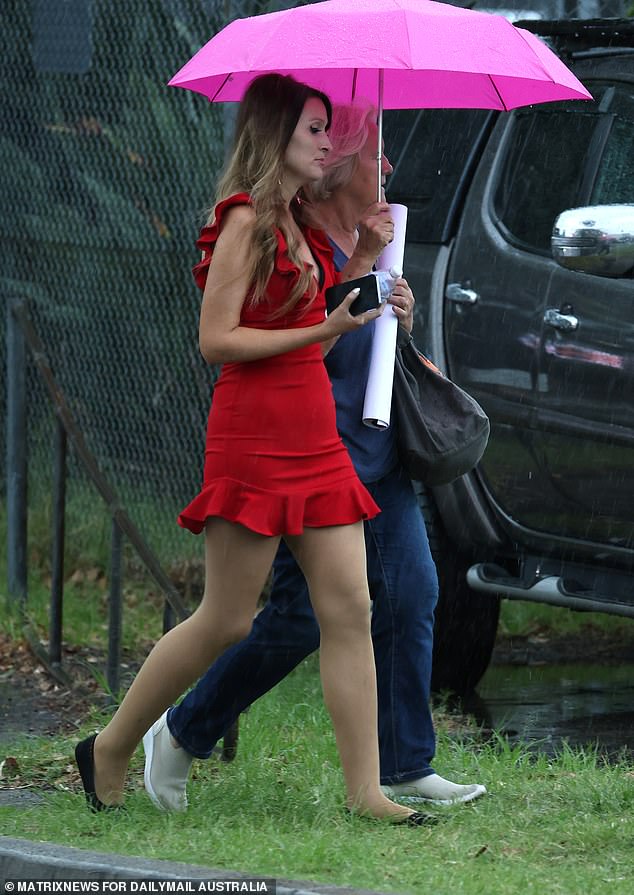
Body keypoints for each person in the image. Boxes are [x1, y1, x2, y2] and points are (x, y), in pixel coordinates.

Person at [74, 73, 433, 825]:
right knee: (228, 618)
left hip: (313, 436)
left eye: (330, 128)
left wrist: (368, 267)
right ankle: (111, 746)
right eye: (313, 128)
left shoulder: (300, 220)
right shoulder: (243, 219)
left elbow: (326, 309)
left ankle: (367, 793)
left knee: (350, 607)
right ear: (275, 134)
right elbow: (218, 340)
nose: (329, 141)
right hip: (255, 432)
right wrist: (325, 330)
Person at [141, 102, 486, 814]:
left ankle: (401, 766)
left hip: (375, 450)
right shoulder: (287, 237)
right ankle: (176, 730)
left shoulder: (355, 244)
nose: (385, 166)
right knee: (289, 619)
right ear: (331, 171)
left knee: (408, 592)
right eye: (372, 156)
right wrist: (354, 286)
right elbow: (307, 344)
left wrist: (395, 313)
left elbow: (358, 338)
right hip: (312, 448)